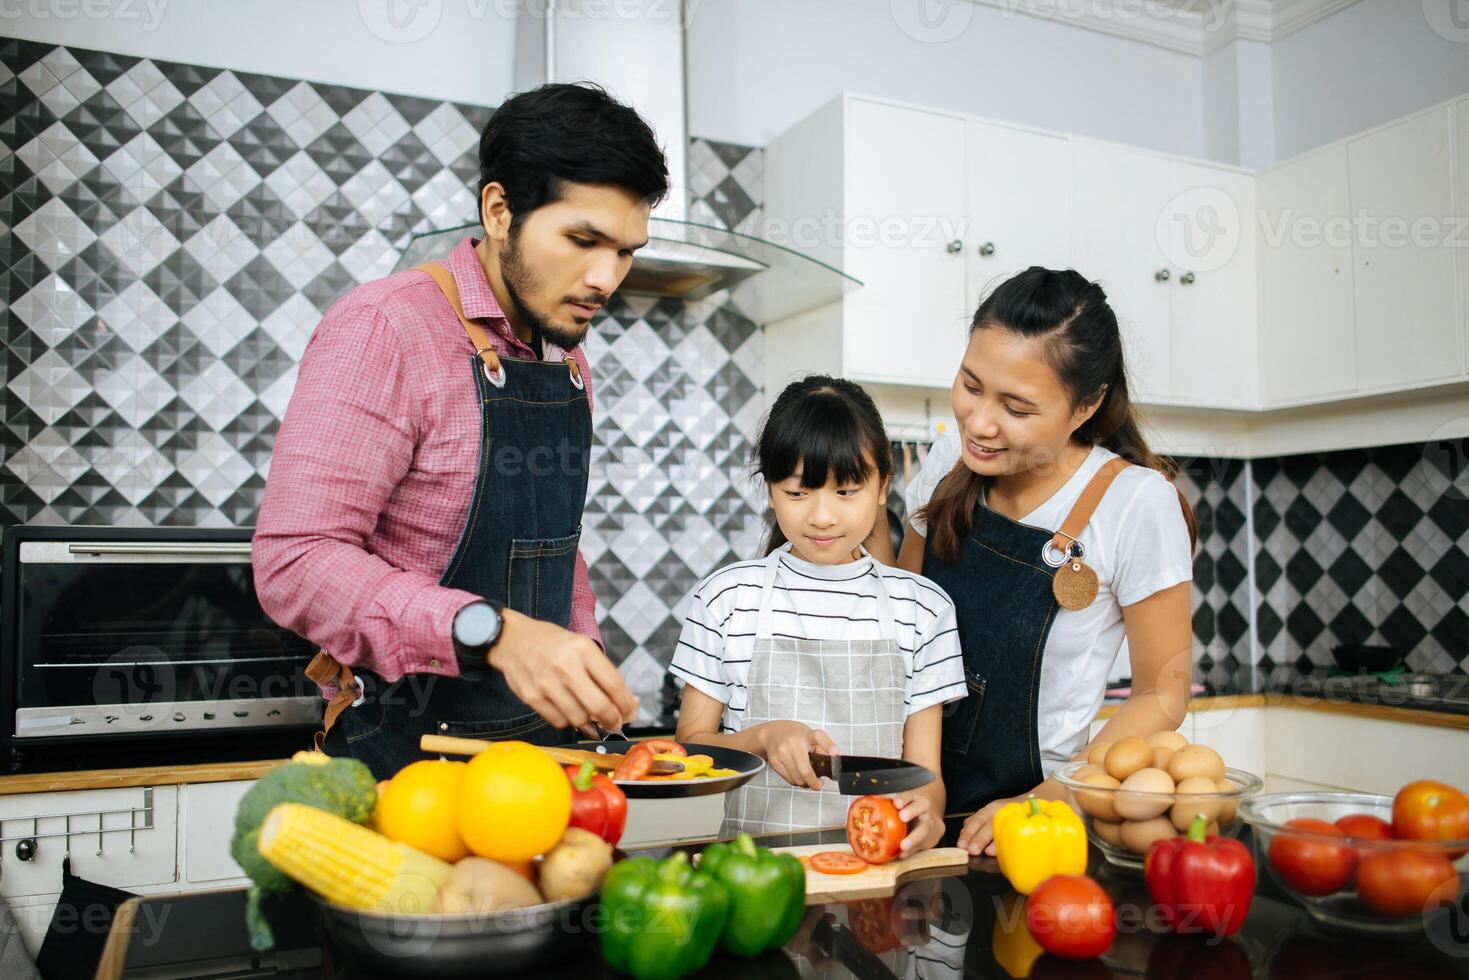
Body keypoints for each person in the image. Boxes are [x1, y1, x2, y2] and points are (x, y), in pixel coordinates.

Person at [252, 83, 666, 779]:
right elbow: (294, 562)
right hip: (405, 764)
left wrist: (581, 658)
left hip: (537, 762)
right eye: (582, 240)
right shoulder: (386, 328)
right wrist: (492, 632)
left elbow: (549, 548)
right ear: (499, 210)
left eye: (625, 251)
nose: (605, 278)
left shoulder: (566, 361)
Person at [885, 267, 1198, 856]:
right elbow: (901, 619)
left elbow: (1165, 691)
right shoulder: (951, 458)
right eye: (971, 385)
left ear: (1087, 405)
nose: (979, 423)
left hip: (1028, 824)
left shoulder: (1135, 502)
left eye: (1017, 407)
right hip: (907, 797)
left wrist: (1055, 795)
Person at [671, 376, 965, 852]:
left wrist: (927, 813)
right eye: (798, 493)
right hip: (753, 874)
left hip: (876, 869)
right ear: (770, 490)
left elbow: (924, 775)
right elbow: (691, 749)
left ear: (883, 485)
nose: (823, 517)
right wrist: (763, 737)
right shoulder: (726, 598)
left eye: (847, 492)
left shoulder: (924, 609)